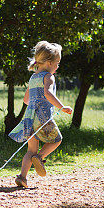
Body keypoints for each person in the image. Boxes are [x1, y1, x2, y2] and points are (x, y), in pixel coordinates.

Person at [8, 41, 72, 188]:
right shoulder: (48, 77)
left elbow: (26, 99)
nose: (57, 66)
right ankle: (40, 157)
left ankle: (22, 177)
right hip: (42, 117)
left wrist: (34, 102)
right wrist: (62, 107)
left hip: (29, 118)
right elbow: (48, 93)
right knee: (56, 140)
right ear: (49, 63)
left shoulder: (33, 78)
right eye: (57, 63)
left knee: (30, 149)